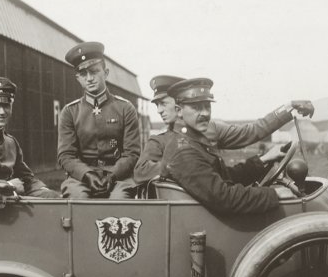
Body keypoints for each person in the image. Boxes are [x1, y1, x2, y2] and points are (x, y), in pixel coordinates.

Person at [160, 78, 314, 215]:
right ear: (179, 111)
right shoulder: (184, 152)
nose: (205, 113)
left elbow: (226, 178)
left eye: (207, 106)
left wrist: (262, 161)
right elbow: (224, 198)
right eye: (197, 107)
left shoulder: (191, 141)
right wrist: (274, 194)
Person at [134, 74, 314, 185]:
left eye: (163, 103)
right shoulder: (159, 141)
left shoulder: (211, 128)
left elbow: (251, 132)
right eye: (157, 105)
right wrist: (185, 169)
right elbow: (141, 172)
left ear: (179, 102)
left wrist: (287, 108)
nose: (159, 110)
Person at [58, 41, 141, 198]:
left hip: (118, 177)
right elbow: (66, 155)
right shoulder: (70, 112)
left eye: (94, 71)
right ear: (78, 78)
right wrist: (87, 174)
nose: (89, 78)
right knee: (78, 201)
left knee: (120, 202)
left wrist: (113, 175)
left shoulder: (125, 108)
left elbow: (132, 153)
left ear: (106, 72)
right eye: (83, 74)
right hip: (80, 178)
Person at [0, 76, 59, 198]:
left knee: (53, 198)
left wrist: (45, 191)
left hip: (11, 202)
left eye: (6, 105)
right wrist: (7, 185)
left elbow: (27, 178)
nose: (2, 112)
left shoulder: (10, 142)